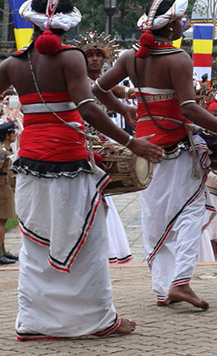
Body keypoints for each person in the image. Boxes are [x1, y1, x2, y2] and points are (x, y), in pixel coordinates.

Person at [0, 0, 164, 339]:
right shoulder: (71, 57)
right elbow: (87, 108)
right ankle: (101, 320)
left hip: (29, 166)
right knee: (86, 241)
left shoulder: (13, 64)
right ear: (68, 23)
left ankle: (34, 324)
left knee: (36, 245)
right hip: (69, 162)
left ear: (31, 20)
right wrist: (133, 142)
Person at [93, 0, 217, 309]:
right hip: (177, 149)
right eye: (182, 20)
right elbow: (187, 108)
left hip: (144, 149)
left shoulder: (131, 57)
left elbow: (98, 89)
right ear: (171, 26)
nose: (184, 24)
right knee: (191, 213)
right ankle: (181, 282)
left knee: (155, 218)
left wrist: (126, 111)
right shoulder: (179, 58)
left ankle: (162, 288)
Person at [74, 30, 136, 265]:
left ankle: (104, 246)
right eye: (90, 55)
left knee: (101, 194)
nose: (95, 59)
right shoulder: (76, 80)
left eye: (99, 55)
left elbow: (116, 91)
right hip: (80, 141)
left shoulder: (105, 83)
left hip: (99, 142)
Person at [0, 121, 18, 266]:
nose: (15, 135)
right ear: (7, 135)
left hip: (7, 184)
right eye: (13, 133)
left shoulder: (7, 149)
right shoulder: (2, 152)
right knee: (1, 219)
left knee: (4, 218)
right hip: (2, 185)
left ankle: (3, 250)